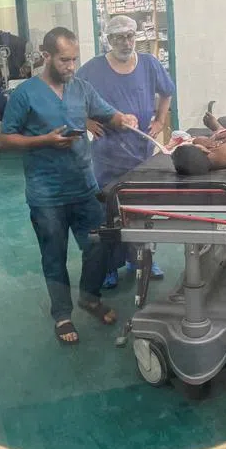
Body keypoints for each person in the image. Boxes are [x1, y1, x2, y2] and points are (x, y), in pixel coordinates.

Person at [0, 27, 139, 345]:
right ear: (46, 56)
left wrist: (124, 119)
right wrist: (44, 141)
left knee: (99, 245)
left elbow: (106, 113)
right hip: (46, 192)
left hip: (84, 186)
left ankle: (89, 297)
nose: (71, 66)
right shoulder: (26, 94)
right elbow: (5, 139)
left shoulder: (81, 89)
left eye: (74, 59)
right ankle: (62, 314)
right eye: (64, 60)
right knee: (54, 254)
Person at [76, 15, 177, 288]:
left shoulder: (149, 64)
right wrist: (86, 121)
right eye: (119, 37)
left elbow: (167, 92)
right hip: (108, 155)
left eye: (130, 36)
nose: (126, 42)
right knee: (109, 212)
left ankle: (141, 259)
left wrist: (160, 120)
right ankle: (109, 267)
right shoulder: (93, 69)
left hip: (141, 153)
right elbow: (70, 96)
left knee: (141, 211)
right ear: (108, 40)